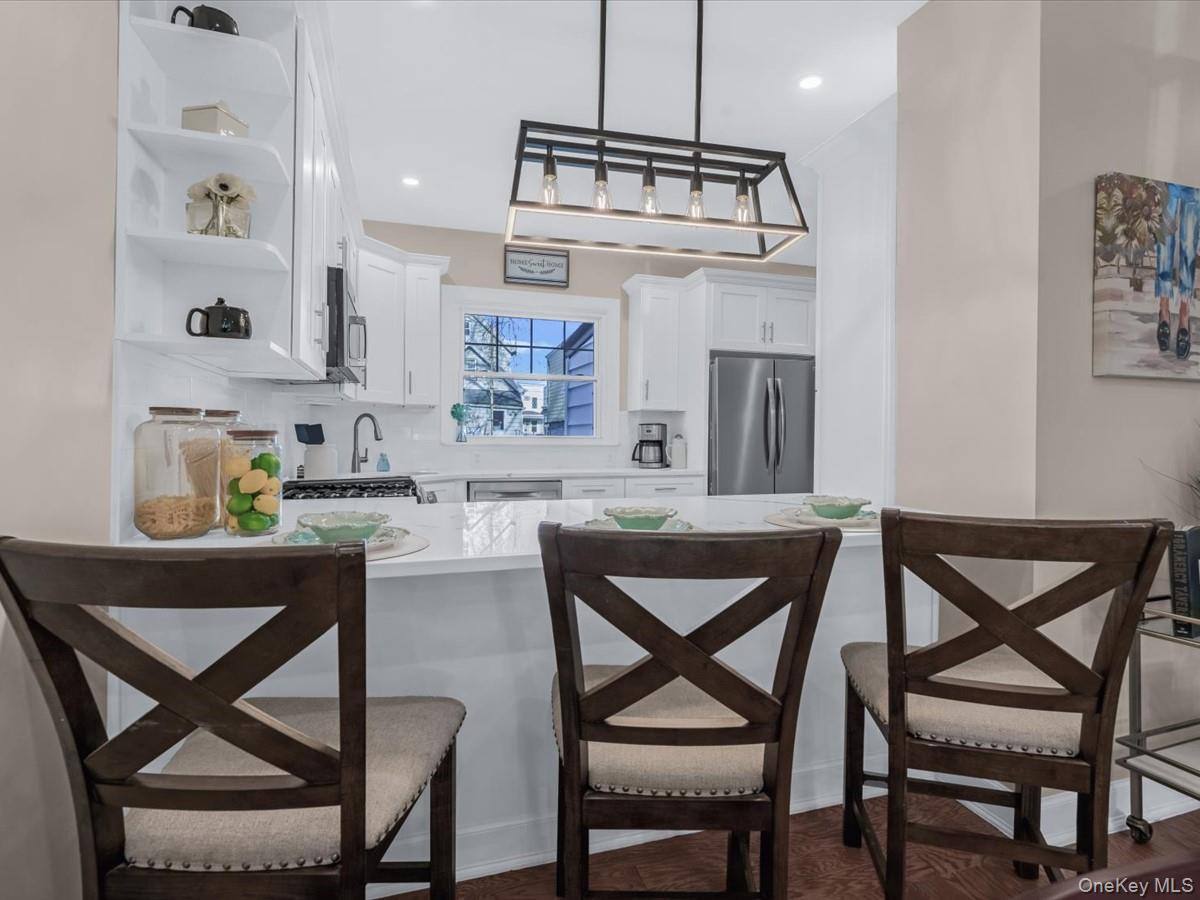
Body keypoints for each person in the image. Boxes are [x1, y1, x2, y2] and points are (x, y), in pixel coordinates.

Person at [1155, 181, 1200, 359]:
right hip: (1167, 180)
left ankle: (1184, 314)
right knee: (1164, 242)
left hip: (1194, 180)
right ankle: (1164, 310)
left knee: (1189, 245)